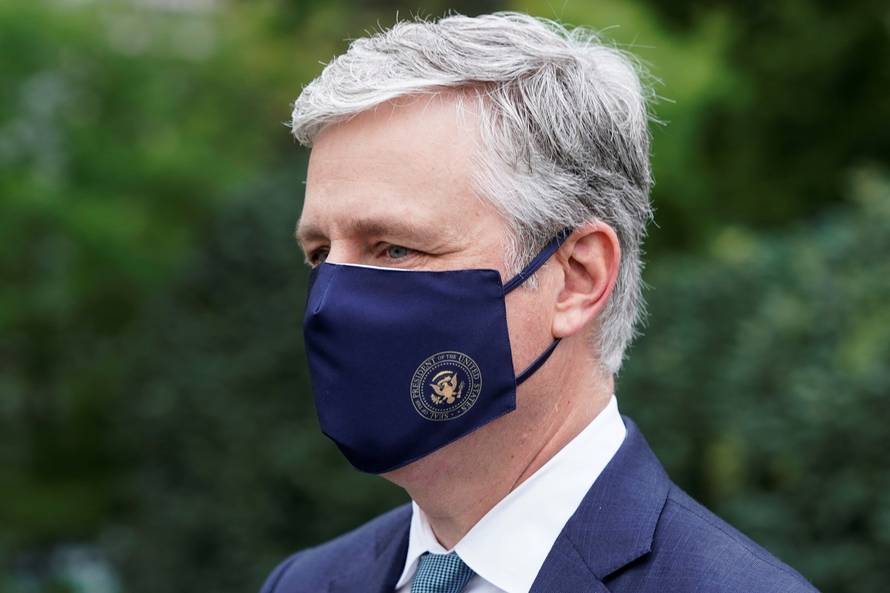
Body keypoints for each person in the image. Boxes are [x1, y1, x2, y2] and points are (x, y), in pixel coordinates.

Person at [261, 11, 819, 593]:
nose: (333, 303)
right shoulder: (307, 582)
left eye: (395, 248)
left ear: (578, 277)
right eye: (321, 254)